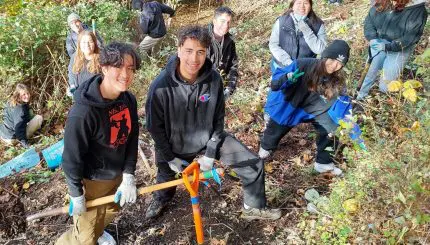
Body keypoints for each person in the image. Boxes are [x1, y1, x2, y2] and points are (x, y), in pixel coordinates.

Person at [145, 25, 281, 221]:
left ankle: (253, 207)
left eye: (200, 52)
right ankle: (161, 198)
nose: (194, 59)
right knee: (166, 180)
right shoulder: (161, 85)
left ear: (207, 52)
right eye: (189, 51)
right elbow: (154, 128)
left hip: (209, 139)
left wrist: (210, 154)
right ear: (179, 50)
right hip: (173, 145)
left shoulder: (214, 79)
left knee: (253, 165)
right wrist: (169, 157)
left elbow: (219, 119)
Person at [55, 42, 141, 245]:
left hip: (117, 175)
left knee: (111, 210)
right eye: (118, 67)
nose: (125, 74)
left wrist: (128, 174)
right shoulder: (83, 113)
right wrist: (76, 194)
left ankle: (98, 232)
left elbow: (132, 137)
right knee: (83, 239)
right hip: (93, 182)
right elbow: (71, 159)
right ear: (103, 67)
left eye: (130, 68)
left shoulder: (128, 100)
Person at [259, 40, 351, 176]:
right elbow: (275, 83)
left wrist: (351, 121)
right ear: (325, 56)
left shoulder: (337, 79)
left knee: (331, 128)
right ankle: (266, 148)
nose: (334, 66)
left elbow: (343, 103)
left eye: (340, 64)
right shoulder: (303, 63)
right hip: (291, 104)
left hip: (314, 110)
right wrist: (287, 78)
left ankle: (323, 163)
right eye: (332, 60)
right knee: (275, 129)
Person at [356, 0, 427, 100]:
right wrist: (372, 38)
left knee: (386, 86)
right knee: (369, 73)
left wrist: (387, 47)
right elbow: (370, 20)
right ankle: (360, 98)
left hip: (400, 49)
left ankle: (382, 103)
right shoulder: (383, 2)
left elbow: (410, 38)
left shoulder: (418, 10)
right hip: (378, 42)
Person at [269, 0, 327, 73]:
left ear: (310, 6)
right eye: (299, 3)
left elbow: (320, 50)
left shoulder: (318, 25)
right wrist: (288, 62)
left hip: (305, 69)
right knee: (280, 84)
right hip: (281, 67)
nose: (302, 6)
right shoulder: (281, 21)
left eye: (305, 3)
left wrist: (306, 30)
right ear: (292, 5)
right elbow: (273, 44)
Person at [207, 6, 239, 99]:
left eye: (228, 22)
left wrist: (230, 88)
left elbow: (234, 66)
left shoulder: (230, 41)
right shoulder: (202, 38)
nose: (226, 25)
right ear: (214, 21)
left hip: (220, 89)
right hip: (201, 90)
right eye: (222, 21)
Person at [0, 84, 43, 148]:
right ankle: (17, 141)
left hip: (3, 134)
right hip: (12, 139)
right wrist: (26, 145)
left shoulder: (10, 101)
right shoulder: (20, 111)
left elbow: (6, 115)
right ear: (18, 95)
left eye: (28, 93)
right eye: (24, 94)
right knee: (39, 118)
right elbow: (18, 129)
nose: (27, 96)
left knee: (30, 113)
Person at [68, 31, 101, 96]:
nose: (87, 45)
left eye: (90, 42)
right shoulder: (75, 57)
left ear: (94, 43)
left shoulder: (101, 58)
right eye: (83, 42)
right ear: (79, 44)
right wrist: (72, 86)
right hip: (79, 96)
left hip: (96, 97)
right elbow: (71, 73)